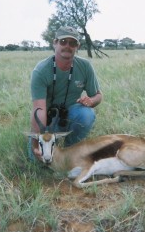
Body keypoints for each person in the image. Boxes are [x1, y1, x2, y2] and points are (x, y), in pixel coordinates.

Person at [28, 26, 102, 161]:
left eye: (72, 43)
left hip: (71, 113)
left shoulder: (85, 66)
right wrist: (35, 141)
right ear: (55, 43)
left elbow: (98, 95)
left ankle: (70, 148)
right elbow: (39, 109)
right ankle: (49, 141)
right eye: (63, 42)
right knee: (36, 160)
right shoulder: (41, 70)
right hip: (48, 116)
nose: (67, 46)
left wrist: (92, 101)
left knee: (87, 114)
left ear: (77, 46)